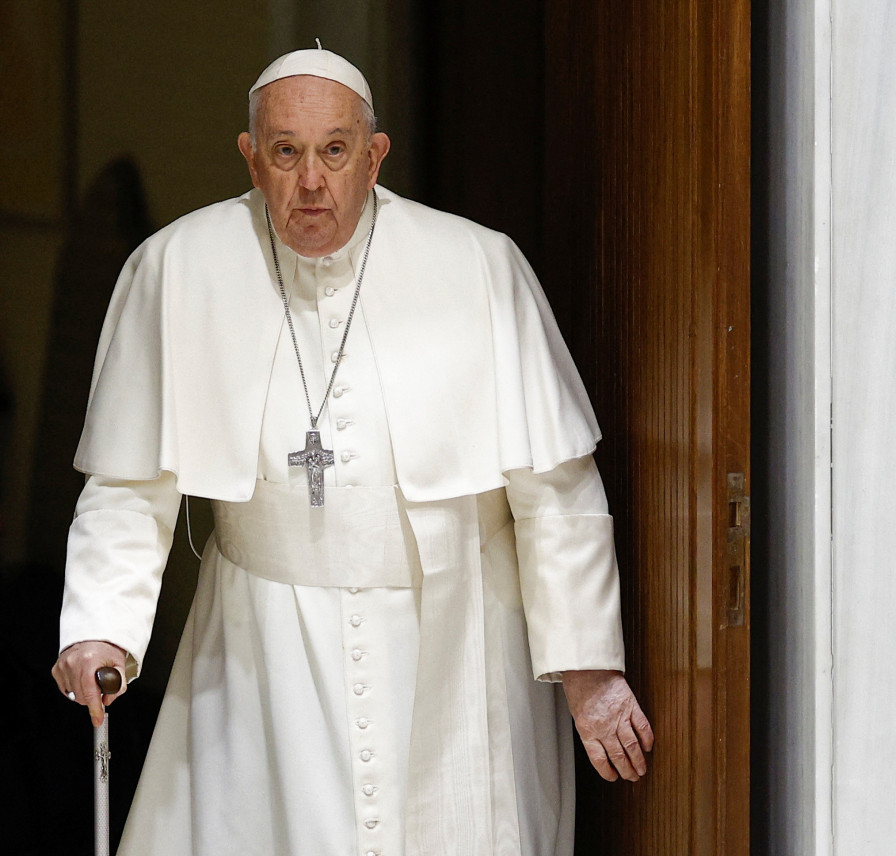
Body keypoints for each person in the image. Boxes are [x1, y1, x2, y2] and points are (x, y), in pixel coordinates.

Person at [51, 48, 653, 856]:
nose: (311, 183)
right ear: (250, 156)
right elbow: (128, 486)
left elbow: (555, 486)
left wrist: (588, 669)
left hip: (455, 645)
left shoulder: (478, 265)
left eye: (335, 150)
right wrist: (101, 629)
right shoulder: (175, 270)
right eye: (286, 151)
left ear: (374, 157)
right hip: (262, 649)